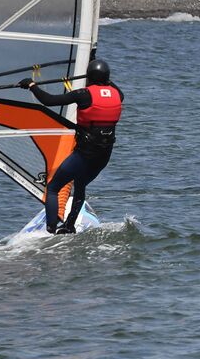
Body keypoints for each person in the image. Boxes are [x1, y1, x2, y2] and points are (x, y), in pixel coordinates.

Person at [17, 58, 122, 233]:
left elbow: (49, 100)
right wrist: (105, 79)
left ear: (90, 78)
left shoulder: (83, 95)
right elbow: (111, 87)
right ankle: (69, 226)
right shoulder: (118, 94)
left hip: (84, 154)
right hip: (104, 155)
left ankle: (51, 229)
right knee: (80, 184)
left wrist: (31, 85)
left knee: (53, 187)